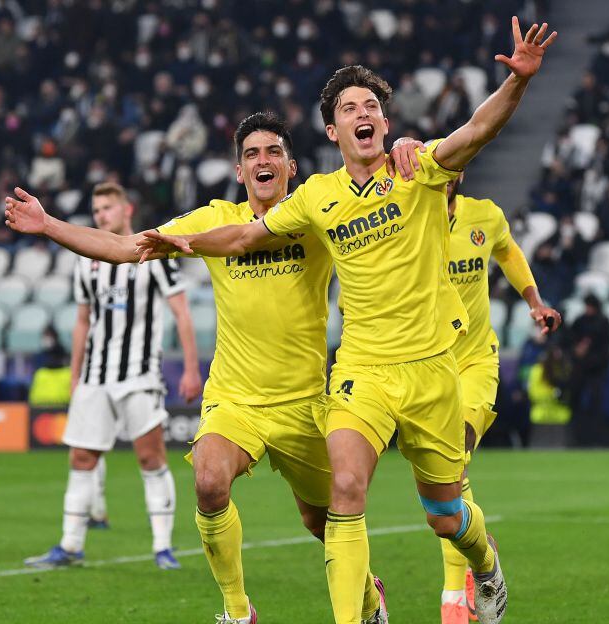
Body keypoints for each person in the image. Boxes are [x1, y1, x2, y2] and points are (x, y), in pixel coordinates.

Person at [134, 19, 557, 624]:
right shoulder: (317, 197)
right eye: (347, 107)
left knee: (445, 513)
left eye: (370, 106)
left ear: (385, 124)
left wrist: (516, 83)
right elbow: (247, 234)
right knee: (346, 494)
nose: (362, 114)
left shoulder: (420, 169)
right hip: (361, 372)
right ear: (333, 130)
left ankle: (484, 562)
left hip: (433, 370)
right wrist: (181, 241)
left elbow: (478, 129)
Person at [4, 113, 422, 624]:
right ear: (240, 172)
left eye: (272, 152)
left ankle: (365, 596)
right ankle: (237, 611)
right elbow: (123, 247)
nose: (262, 161)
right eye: (251, 155)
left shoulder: (317, 208)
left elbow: (372, 182)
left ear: (291, 166)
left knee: (321, 520)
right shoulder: (213, 219)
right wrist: (48, 225)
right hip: (235, 398)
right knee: (207, 481)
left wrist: (401, 145)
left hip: (304, 401)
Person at [24, 182, 203, 571]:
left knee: (150, 456)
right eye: (96, 209)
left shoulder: (153, 253)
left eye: (107, 207)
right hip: (95, 376)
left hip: (139, 374)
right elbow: (82, 322)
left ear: (127, 209)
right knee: (82, 456)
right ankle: (70, 545)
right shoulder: (85, 263)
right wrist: (75, 375)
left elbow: (182, 313)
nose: (101, 215)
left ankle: (162, 548)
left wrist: (191, 369)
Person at [436, 172, 561, 623]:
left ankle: (453, 601)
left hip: (475, 363)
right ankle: (481, 555)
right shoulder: (407, 219)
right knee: (441, 487)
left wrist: (534, 300)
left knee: (454, 461)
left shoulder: (484, 215)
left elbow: (507, 251)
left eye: (452, 166)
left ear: (460, 173)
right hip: (428, 367)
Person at [566, 294, 609, 447]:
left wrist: (588, 356)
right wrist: (576, 350)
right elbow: (569, 341)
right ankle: (575, 437)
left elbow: (605, 349)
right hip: (580, 370)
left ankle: (595, 438)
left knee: (595, 404)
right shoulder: (580, 321)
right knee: (575, 402)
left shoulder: (603, 322)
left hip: (596, 371)